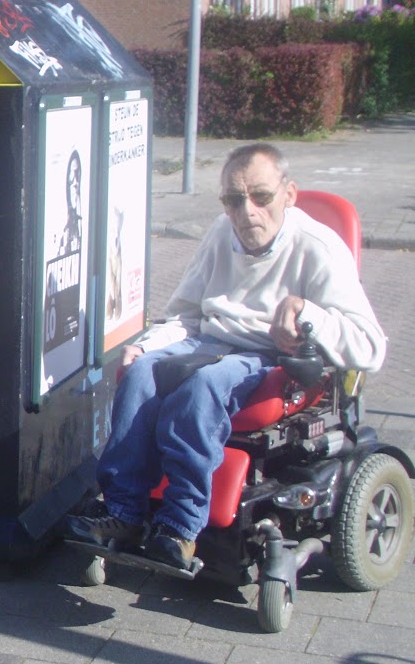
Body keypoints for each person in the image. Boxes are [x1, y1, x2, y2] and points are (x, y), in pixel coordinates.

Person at [66, 143, 386, 569]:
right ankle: (122, 511)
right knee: (140, 373)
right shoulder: (221, 232)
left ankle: (180, 528)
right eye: (234, 200)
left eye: (261, 197)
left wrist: (306, 313)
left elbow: (370, 346)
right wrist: (148, 345)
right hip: (208, 340)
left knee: (200, 389)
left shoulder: (317, 247)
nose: (247, 211)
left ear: (289, 194)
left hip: (267, 352)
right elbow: (186, 315)